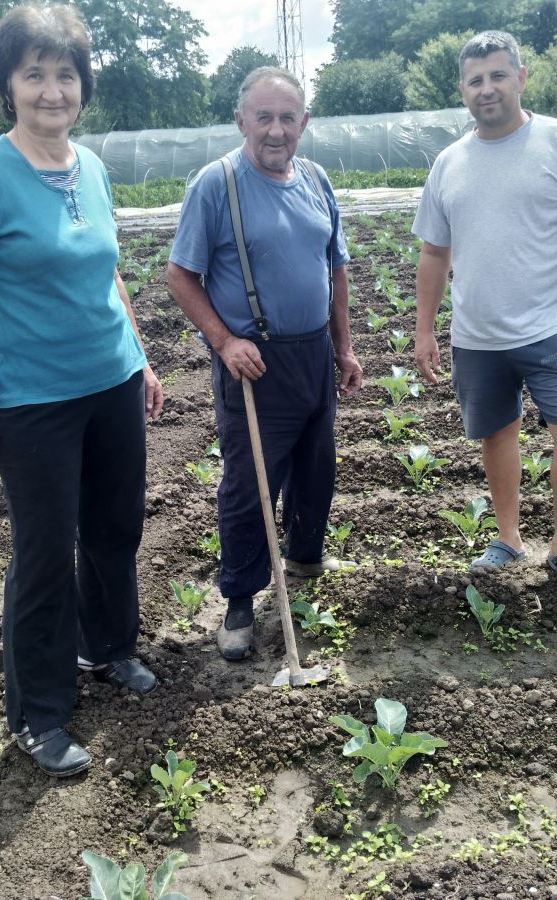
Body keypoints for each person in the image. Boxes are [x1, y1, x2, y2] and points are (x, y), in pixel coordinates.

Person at [0, 4, 164, 778]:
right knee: (42, 556)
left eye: (64, 74)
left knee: (114, 530)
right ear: (9, 83)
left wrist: (141, 358)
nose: (51, 90)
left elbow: (107, 273)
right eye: (34, 74)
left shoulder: (91, 167)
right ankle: (39, 713)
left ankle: (108, 648)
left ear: (82, 85)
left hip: (112, 381)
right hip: (33, 400)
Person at [167, 66, 362, 661]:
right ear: (241, 120)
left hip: (313, 357)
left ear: (303, 123)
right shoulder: (217, 183)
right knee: (250, 486)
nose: (276, 131)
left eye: (287, 118)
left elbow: (335, 268)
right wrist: (224, 341)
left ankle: (304, 555)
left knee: (315, 466)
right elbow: (180, 274)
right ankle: (241, 599)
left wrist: (344, 346)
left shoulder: (316, 179)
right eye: (264, 118)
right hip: (254, 364)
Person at [412, 30, 557, 599]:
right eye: (476, 80)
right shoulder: (450, 162)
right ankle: (507, 538)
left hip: (553, 330)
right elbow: (434, 251)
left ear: (521, 78)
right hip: (476, 337)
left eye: (499, 75)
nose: (487, 89)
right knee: (497, 435)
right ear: (463, 90)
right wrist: (425, 329)